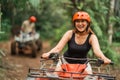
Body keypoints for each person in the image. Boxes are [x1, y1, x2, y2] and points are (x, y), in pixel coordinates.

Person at [42, 11, 111, 74]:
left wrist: (104, 58)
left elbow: (97, 50)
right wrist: (48, 54)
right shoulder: (69, 33)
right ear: (74, 23)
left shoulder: (92, 37)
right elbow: (58, 48)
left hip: (83, 64)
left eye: (83, 21)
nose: (80, 24)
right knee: (55, 76)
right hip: (65, 62)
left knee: (89, 77)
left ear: (88, 23)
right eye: (77, 21)